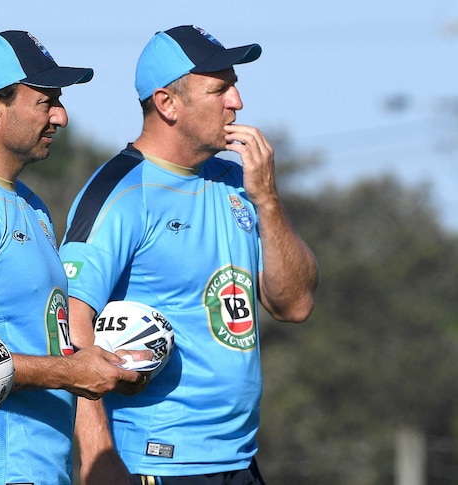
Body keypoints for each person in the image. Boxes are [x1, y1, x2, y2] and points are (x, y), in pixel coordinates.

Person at [59, 25, 320, 484]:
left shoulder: (238, 182)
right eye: (219, 89)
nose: (236, 101)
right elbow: (69, 327)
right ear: (168, 103)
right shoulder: (120, 193)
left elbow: (294, 304)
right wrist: (98, 457)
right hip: (154, 463)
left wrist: (269, 199)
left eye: (234, 87)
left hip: (239, 460)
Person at [0, 30, 151, 485]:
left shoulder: (29, 203)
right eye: (45, 101)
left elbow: (40, 339)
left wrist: (105, 361)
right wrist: (70, 373)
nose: (62, 115)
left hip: (36, 470)